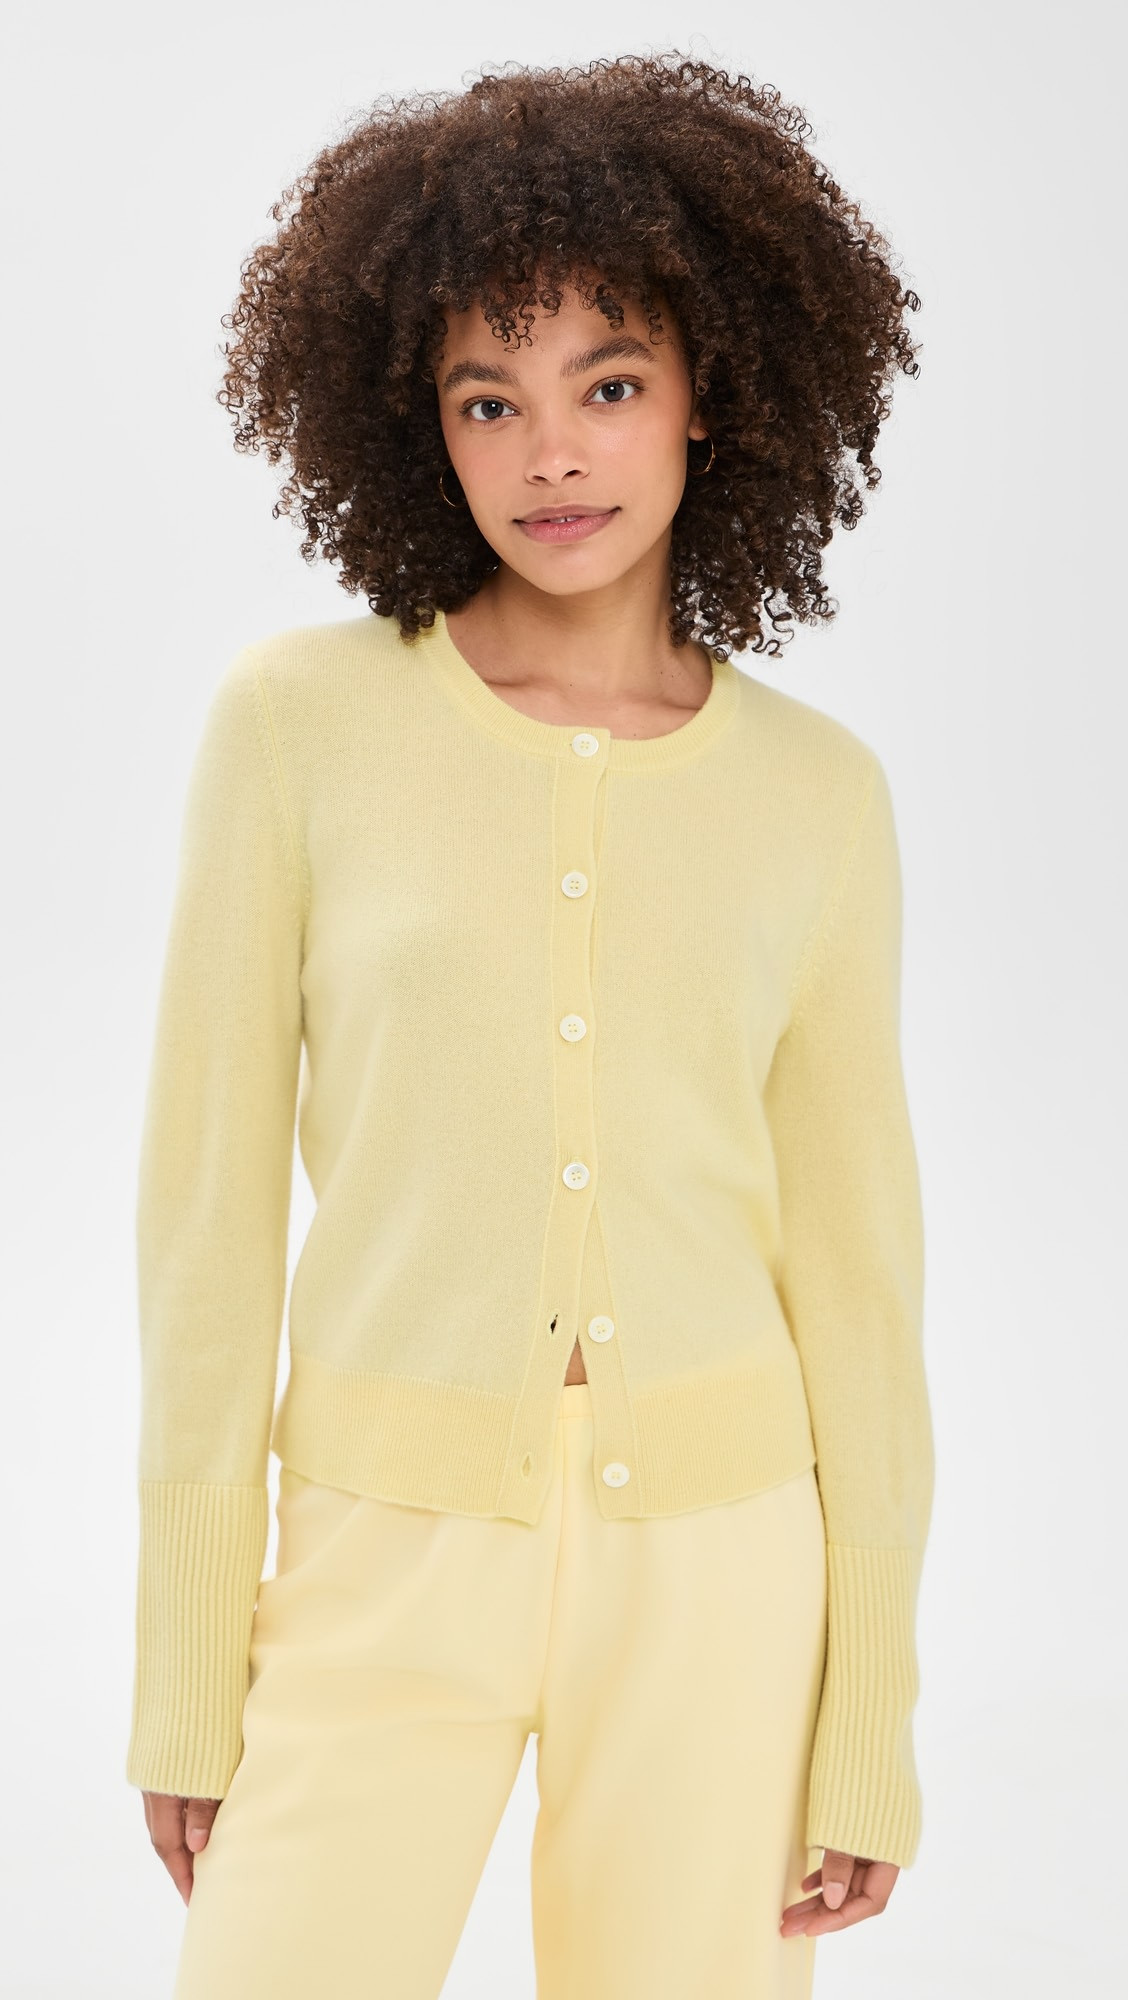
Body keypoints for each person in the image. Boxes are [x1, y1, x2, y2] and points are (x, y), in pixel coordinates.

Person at [126, 51, 935, 2000]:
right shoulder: (296, 726)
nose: (551, 454)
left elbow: (861, 1279)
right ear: (418, 421)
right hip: (382, 1542)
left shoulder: (819, 795)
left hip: (725, 1565)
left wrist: (868, 1714)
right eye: (490, 397)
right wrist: (184, 1661)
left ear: (713, 389)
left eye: (609, 383)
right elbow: (206, 1230)